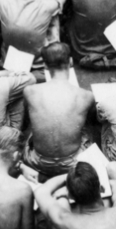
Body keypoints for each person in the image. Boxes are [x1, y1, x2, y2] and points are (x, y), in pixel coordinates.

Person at [23, 44, 96, 177]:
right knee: (86, 128)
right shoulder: (86, 95)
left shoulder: (30, 91)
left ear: (45, 66)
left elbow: (26, 122)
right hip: (74, 162)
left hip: (38, 162)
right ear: (71, 62)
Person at [0, 0, 64, 74]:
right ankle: (51, 59)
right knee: (52, 3)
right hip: (36, 62)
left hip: (10, 59)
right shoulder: (46, 6)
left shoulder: (3, 0)